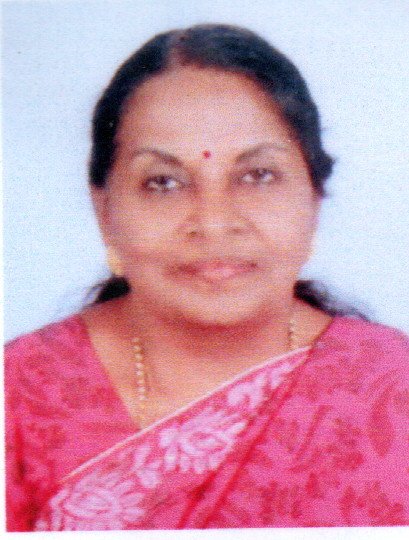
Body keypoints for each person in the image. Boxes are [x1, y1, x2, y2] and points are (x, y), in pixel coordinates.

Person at [5, 24, 409, 531]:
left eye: (258, 175)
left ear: (314, 198)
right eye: (164, 182)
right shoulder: (19, 395)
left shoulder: (391, 387)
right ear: (104, 210)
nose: (214, 223)